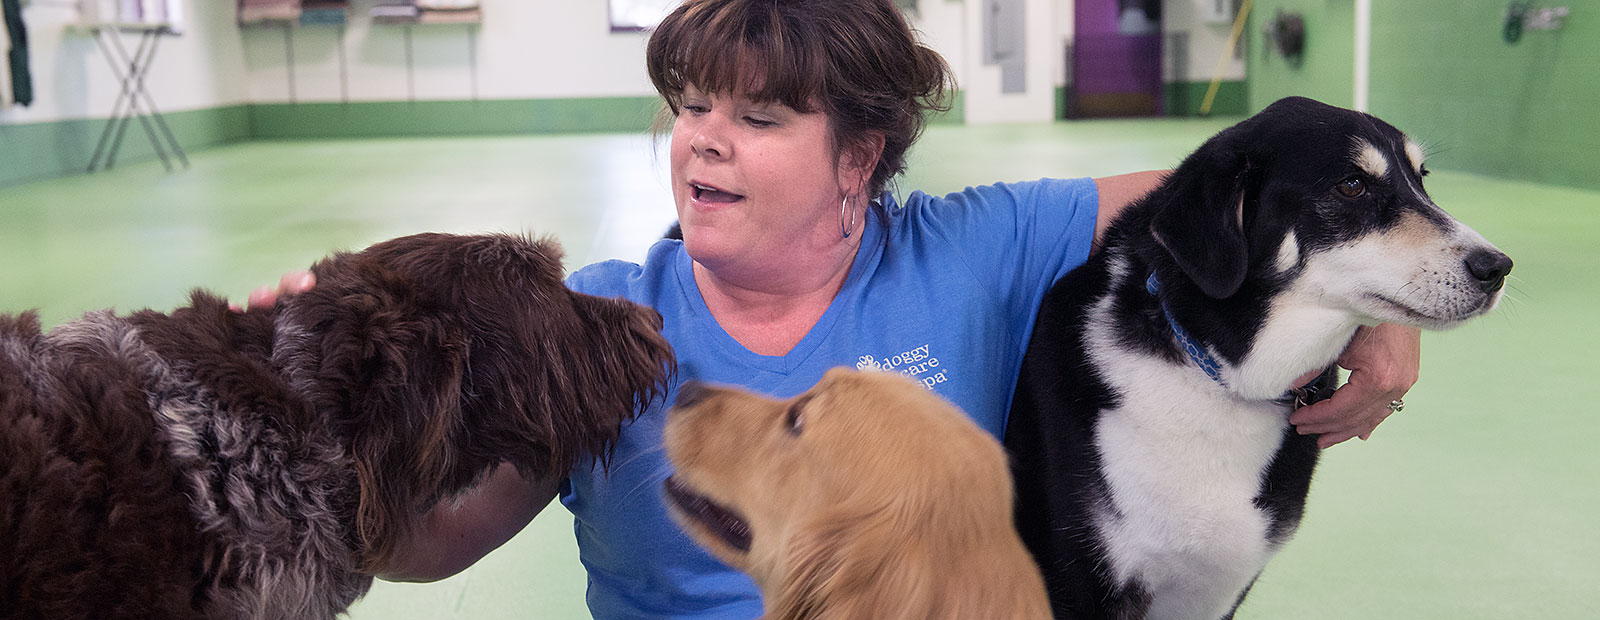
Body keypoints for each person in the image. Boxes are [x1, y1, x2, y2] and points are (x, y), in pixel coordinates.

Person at [248, 0, 1420, 617]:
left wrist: (1378, 300)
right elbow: (434, 546)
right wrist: (307, 429)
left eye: (756, 119)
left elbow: (1226, 189)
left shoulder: (975, 247)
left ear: (858, 156)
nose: (703, 136)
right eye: (693, 105)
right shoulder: (596, 322)